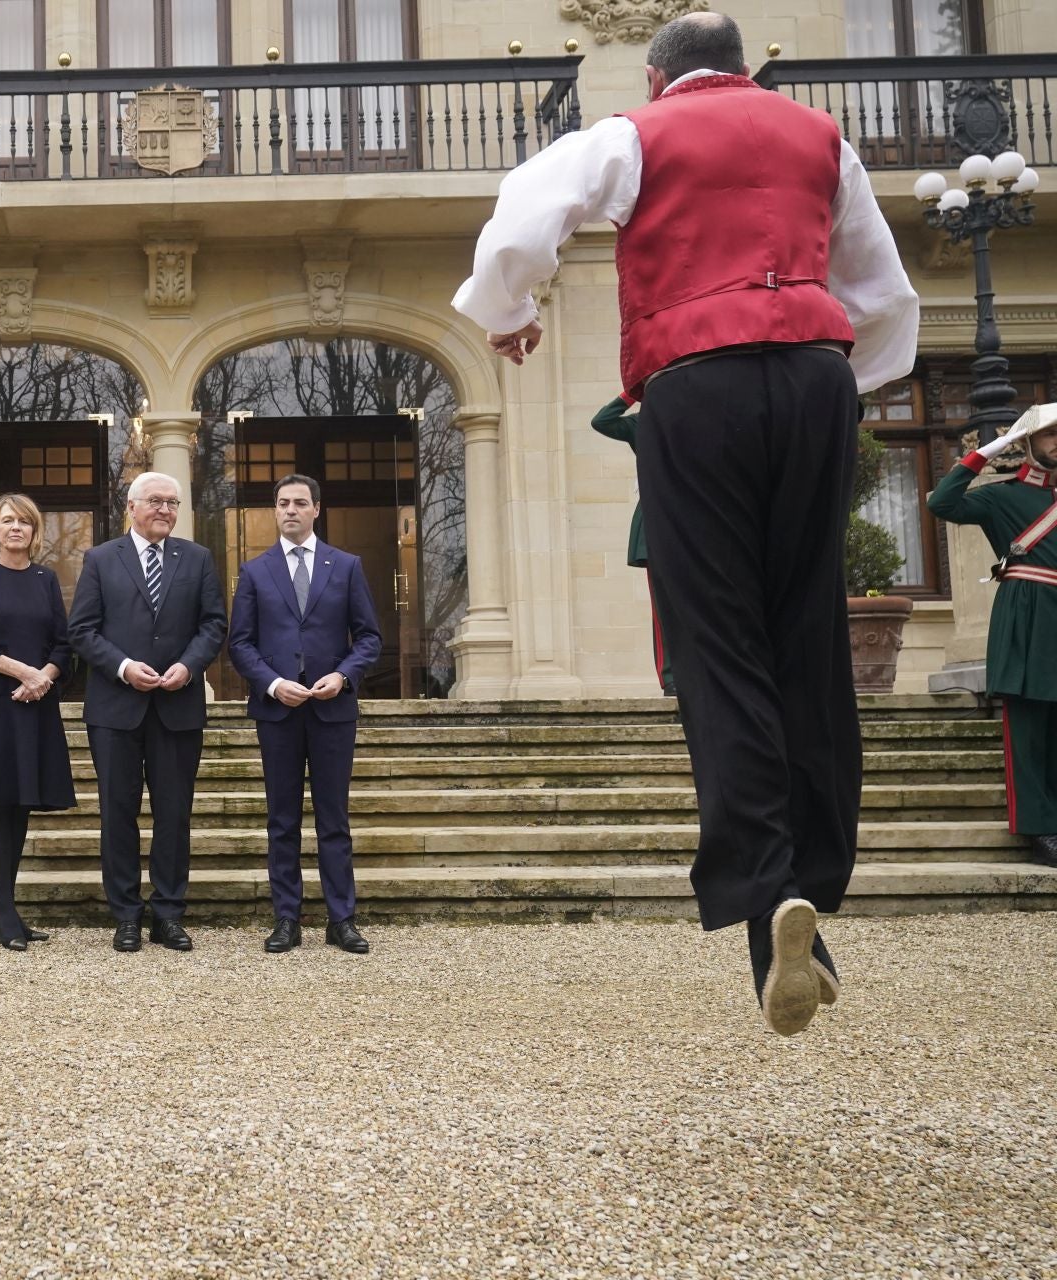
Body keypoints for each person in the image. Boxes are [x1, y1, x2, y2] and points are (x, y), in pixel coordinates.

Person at [452, 11, 920, 1037]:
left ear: (661, 77)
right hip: (813, 379)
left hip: (693, 384)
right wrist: (839, 382)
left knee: (717, 643)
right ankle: (812, 882)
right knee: (806, 633)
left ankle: (766, 896)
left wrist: (508, 308)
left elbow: (525, 214)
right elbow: (884, 297)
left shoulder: (633, 134)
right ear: (747, 70)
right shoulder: (819, 138)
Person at [68, 471, 227, 952]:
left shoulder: (197, 559)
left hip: (178, 705)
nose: (164, 510)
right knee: (118, 814)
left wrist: (189, 665)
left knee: (174, 815)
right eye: (155, 501)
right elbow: (82, 630)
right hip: (116, 708)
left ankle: (168, 913)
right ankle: (127, 915)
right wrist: (121, 667)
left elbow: (214, 623)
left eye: (172, 503)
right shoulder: (100, 559)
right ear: (132, 507)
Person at [227, 474, 381, 954]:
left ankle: (342, 919)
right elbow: (240, 643)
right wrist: (271, 684)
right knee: (282, 819)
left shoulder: (347, 566)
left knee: (333, 818)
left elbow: (369, 637)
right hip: (277, 713)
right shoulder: (254, 572)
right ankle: (287, 919)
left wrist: (343, 676)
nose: (290, 510)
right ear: (274, 512)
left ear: (317, 509)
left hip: (333, 711)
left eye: (299, 503)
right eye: (282, 503)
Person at [927, 406, 1057, 869]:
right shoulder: (1001, 497)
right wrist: (984, 454)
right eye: (1048, 434)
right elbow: (941, 504)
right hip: (1027, 616)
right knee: (1028, 730)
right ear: (1026, 442)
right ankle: (1041, 830)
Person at [0, 493, 77, 950]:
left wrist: (42, 677)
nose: (15, 528)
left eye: (23, 521)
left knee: (21, 803)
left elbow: (63, 645)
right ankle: (4, 906)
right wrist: (22, 672)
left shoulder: (46, 579)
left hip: (35, 703)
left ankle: (3, 904)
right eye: (7, 521)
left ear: (34, 529)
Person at [589, 396, 676, 696]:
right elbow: (602, 421)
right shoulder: (642, 424)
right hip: (657, 523)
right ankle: (672, 680)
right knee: (664, 608)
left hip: (699, 520)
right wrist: (629, 394)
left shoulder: (698, 416)